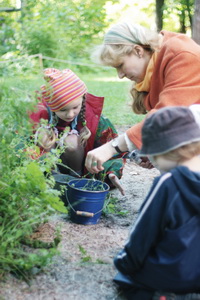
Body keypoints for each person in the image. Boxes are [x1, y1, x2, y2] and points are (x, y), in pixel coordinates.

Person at [85, 21, 200, 174]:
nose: (120, 75)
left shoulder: (181, 53)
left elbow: (168, 115)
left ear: (138, 51)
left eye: (120, 65)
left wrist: (111, 147)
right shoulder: (153, 69)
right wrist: (148, 146)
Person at [112, 106, 200, 300]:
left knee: (127, 277)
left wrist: (124, 263)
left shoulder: (169, 183)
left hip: (168, 277)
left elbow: (143, 233)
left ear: (165, 151)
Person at [29, 68, 125, 194]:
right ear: (52, 107)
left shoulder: (93, 119)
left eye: (75, 107)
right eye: (62, 110)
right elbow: (20, 146)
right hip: (48, 168)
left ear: (83, 99)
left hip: (80, 168)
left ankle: (76, 180)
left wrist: (111, 173)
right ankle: (52, 179)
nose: (70, 114)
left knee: (72, 142)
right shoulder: (38, 117)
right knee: (44, 137)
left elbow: (113, 148)